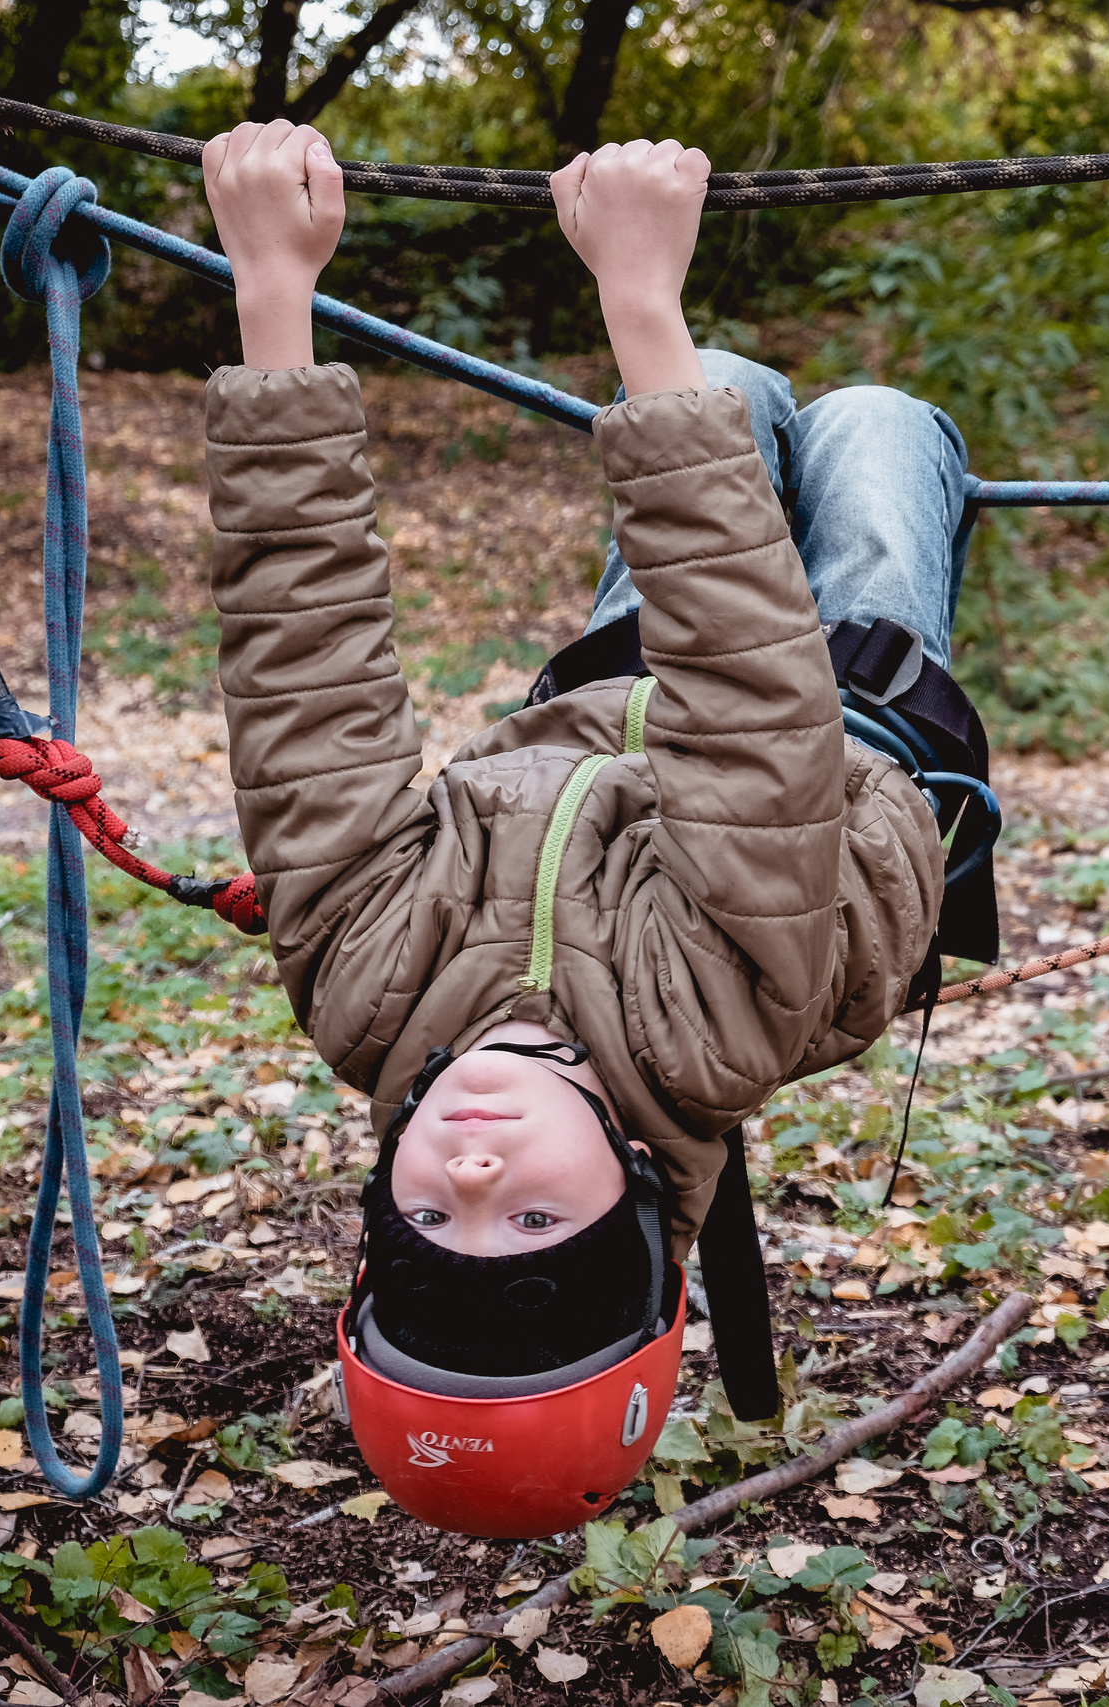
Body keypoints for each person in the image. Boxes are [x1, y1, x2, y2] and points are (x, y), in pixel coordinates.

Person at [197, 121, 996, 1530]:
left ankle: (703, 366)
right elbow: (754, 698)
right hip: (845, 719)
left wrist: (271, 291)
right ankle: (777, 391)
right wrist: (636, 301)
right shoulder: (709, 1028)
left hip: (614, 689)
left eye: (432, 1223)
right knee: (879, 429)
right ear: (634, 1213)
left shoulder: (368, 993)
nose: (477, 1170)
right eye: (532, 1225)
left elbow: (302, 667)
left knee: (727, 386)